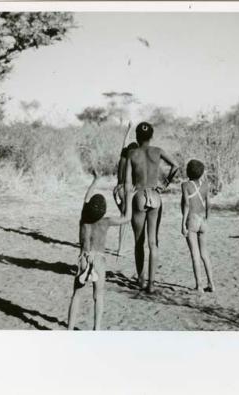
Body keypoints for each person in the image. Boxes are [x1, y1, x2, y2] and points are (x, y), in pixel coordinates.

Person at [68, 170, 136, 330]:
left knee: (76, 295)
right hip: (98, 260)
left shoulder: (83, 220)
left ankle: (70, 329)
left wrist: (95, 181)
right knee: (98, 296)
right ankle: (96, 329)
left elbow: (86, 199)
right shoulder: (105, 222)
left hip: (84, 259)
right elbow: (127, 218)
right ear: (103, 211)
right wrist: (130, 197)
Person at [125, 122, 178, 293]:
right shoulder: (158, 151)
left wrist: (124, 204)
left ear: (137, 137)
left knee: (138, 243)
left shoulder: (131, 153)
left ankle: (140, 281)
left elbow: (127, 184)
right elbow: (176, 165)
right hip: (156, 197)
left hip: (139, 196)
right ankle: (152, 284)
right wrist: (165, 184)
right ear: (151, 136)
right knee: (153, 242)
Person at [181, 159, 215, 292]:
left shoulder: (185, 185)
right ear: (201, 172)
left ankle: (199, 285)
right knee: (204, 254)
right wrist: (207, 218)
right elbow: (209, 204)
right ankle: (211, 283)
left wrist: (183, 223)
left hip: (192, 220)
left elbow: (186, 204)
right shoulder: (206, 185)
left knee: (195, 254)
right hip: (203, 221)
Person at [113, 122, 138, 258]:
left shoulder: (123, 156)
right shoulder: (132, 161)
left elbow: (125, 142)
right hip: (125, 192)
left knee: (125, 218)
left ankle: (122, 247)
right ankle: (121, 249)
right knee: (125, 219)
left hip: (116, 190)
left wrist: (129, 129)